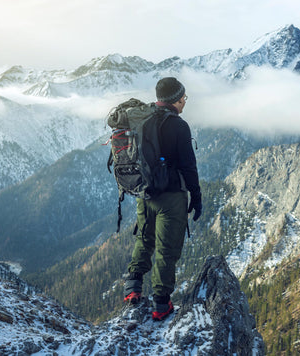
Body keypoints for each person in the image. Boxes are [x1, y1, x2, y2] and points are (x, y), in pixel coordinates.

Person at [123, 77, 202, 321]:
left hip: (144, 194)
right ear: (175, 100)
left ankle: (133, 288)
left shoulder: (142, 119)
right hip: (171, 196)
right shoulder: (179, 126)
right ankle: (161, 304)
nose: (184, 102)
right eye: (183, 98)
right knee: (166, 250)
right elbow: (189, 166)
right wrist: (196, 197)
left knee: (144, 238)